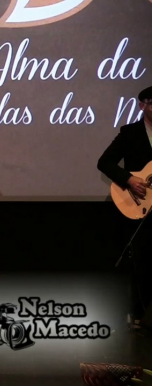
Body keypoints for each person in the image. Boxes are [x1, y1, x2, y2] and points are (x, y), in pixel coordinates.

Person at [97, 85, 152, 330]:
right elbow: (104, 162)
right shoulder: (130, 133)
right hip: (140, 206)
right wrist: (129, 179)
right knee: (141, 260)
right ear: (143, 106)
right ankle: (138, 315)